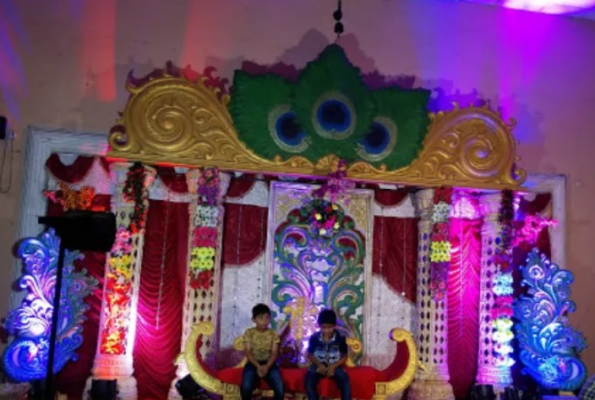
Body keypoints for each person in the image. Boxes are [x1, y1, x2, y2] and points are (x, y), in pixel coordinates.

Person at [240, 304, 284, 400]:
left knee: (280, 387)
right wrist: (258, 366)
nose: (264, 321)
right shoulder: (249, 333)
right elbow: (248, 352)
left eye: (267, 317)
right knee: (246, 386)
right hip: (253, 363)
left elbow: (274, 353)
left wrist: (267, 366)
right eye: (260, 318)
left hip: (269, 363)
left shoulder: (273, 334)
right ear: (253, 319)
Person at [305, 309, 351, 400]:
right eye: (323, 327)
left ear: (334, 326)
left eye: (329, 327)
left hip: (335, 365)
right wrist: (319, 365)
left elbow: (345, 356)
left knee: (345, 380)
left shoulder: (340, 337)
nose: (326, 330)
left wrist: (333, 367)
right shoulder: (314, 337)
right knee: (309, 381)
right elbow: (310, 354)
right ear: (319, 326)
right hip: (318, 364)